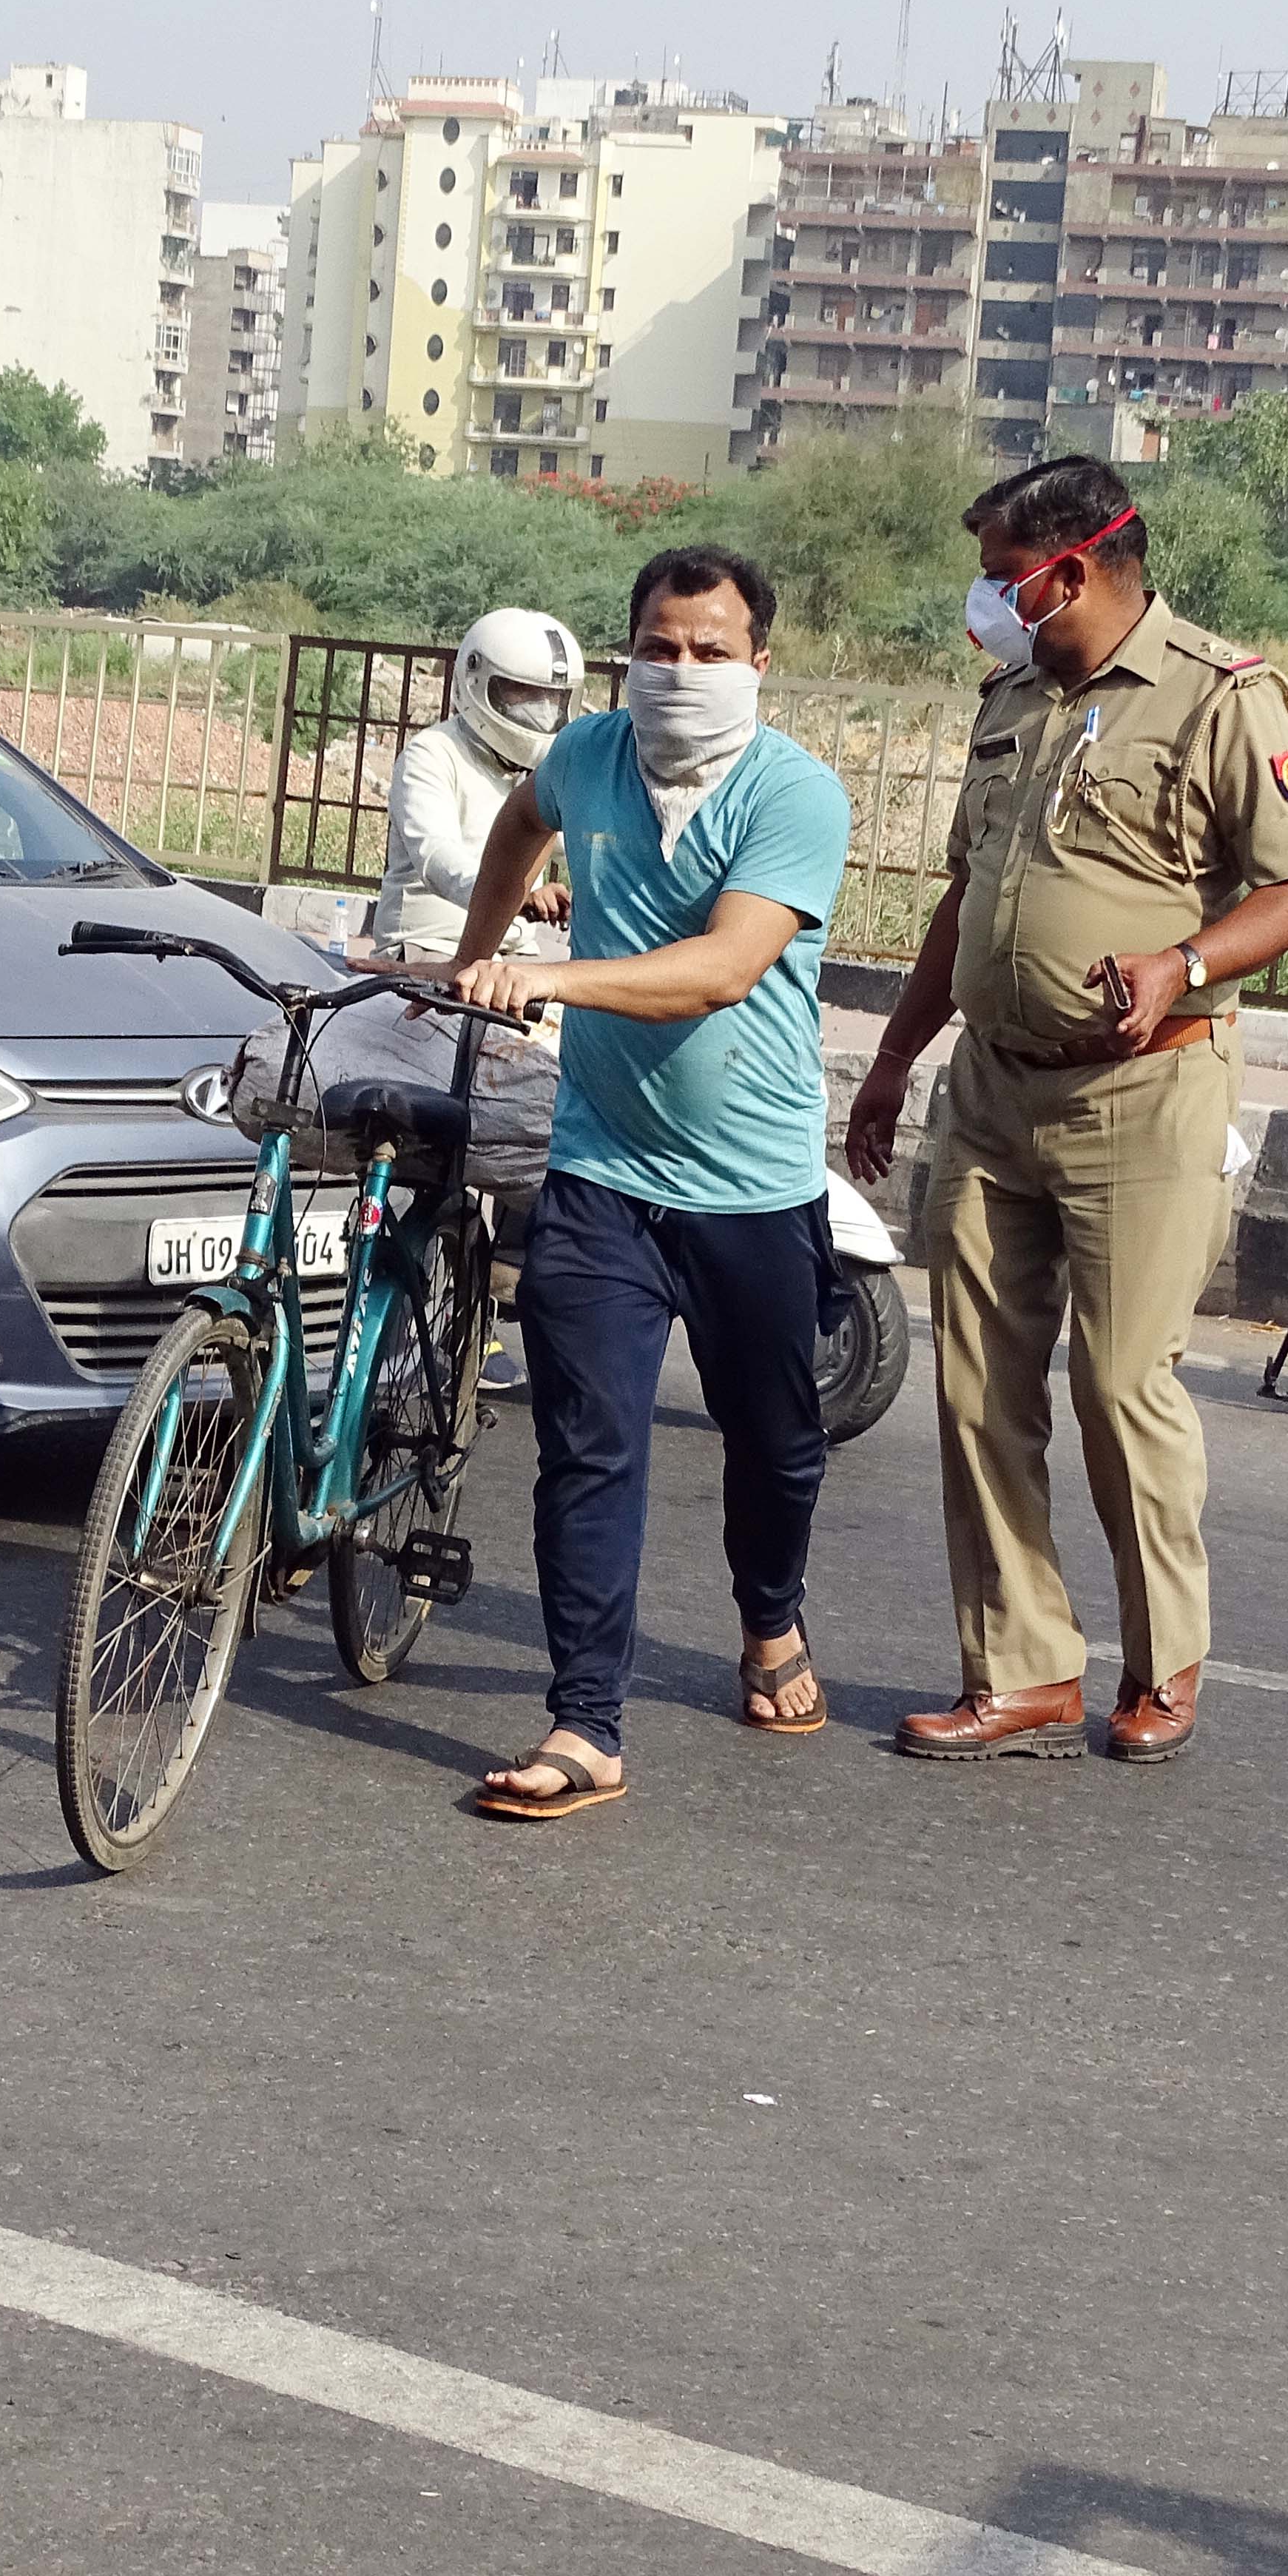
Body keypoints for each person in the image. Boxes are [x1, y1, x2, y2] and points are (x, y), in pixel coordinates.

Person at [845, 457, 1288, 1766]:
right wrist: (895, 1056)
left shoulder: (1223, 694)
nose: (983, 603)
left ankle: (1160, 1659)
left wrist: (1185, 962)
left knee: (1119, 1385)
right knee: (973, 1390)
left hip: (1146, 1087)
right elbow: (967, 893)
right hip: (992, 1087)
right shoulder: (1010, 698)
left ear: (1071, 568)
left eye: (1001, 575)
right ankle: (1019, 1670)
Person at [442, 544, 854, 1817]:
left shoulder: (795, 794)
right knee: (587, 1447)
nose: (679, 674)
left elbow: (723, 966)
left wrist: (548, 979)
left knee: (775, 1445)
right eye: (657, 650)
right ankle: (583, 1722)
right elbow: (519, 821)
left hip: (749, 1186)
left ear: (756, 665)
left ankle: (768, 1617)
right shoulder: (584, 759)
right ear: (624, 656)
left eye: (709, 651)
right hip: (601, 1170)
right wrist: (471, 959)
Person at [371, 606, 580, 963]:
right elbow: (437, 856)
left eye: (550, 699)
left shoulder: (538, 769)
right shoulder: (433, 753)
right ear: (476, 681)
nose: (540, 711)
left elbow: (583, 838)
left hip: (515, 950)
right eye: (522, 693)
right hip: (428, 945)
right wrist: (513, 896)